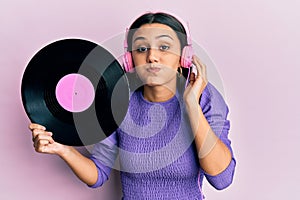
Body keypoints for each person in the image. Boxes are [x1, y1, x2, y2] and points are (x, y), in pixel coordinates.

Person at [29, 12, 236, 199]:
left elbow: (222, 179)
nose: (152, 57)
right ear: (130, 60)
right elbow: (98, 174)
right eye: (141, 48)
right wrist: (62, 149)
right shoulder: (119, 100)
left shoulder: (204, 97)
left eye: (164, 47)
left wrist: (191, 105)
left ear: (184, 57)